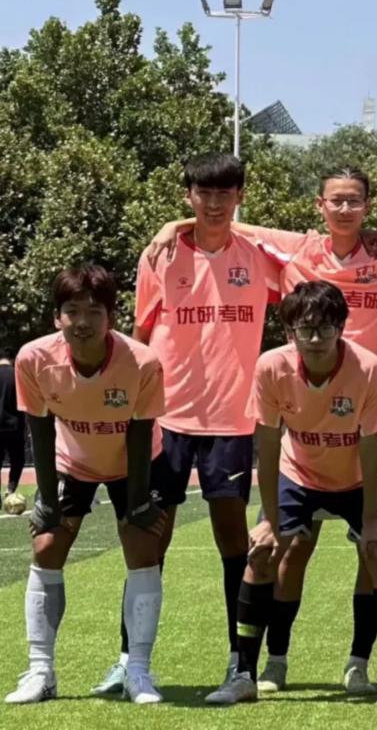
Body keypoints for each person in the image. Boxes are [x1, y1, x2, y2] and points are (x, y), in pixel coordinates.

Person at [92, 153, 284, 700]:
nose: (215, 203)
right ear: (189, 196)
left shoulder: (260, 257)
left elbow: (318, 251)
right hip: (165, 416)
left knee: (233, 540)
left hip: (232, 419)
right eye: (204, 192)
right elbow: (140, 331)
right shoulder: (161, 253)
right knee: (150, 539)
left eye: (225, 192)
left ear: (240, 197)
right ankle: (129, 661)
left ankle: (240, 664)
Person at [205, 281, 377, 706]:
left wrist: (371, 520)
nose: (315, 338)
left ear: (341, 327)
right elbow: (268, 443)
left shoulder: (368, 368)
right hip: (299, 473)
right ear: (290, 331)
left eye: (325, 328)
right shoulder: (271, 366)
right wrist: (269, 520)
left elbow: (371, 444)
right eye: (304, 329)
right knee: (262, 555)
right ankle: (244, 674)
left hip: (358, 478)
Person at [6, 266, 166, 705]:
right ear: (57, 316)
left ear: (111, 317)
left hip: (132, 462)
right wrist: (46, 501)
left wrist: (138, 504)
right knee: (46, 546)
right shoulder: (33, 358)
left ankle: (138, 671)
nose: (82, 322)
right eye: (71, 311)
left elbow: (140, 433)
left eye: (94, 312)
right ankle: (41, 672)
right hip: (71, 461)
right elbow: (39, 430)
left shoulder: (142, 362)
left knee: (143, 547)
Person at [0, 346, 27, 508]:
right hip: (14, 426)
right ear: (12, 359)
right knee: (18, 460)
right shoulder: (17, 375)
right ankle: (10, 489)